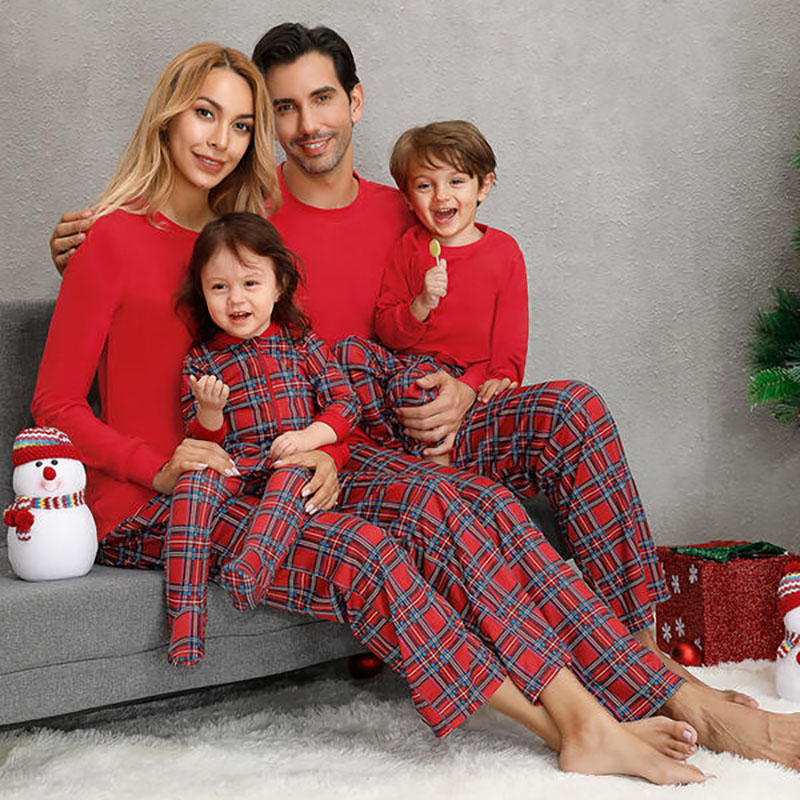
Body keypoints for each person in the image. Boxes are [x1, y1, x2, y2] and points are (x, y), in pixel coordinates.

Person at [46, 24, 800, 772]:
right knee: (434, 521)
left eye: (242, 122)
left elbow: (451, 283)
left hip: (350, 434)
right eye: (255, 113)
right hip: (260, 464)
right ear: (177, 116)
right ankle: (619, 709)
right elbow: (96, 383)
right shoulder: (204, 231)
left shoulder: (323, 222)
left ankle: (647, 678)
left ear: (354, 101)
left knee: (534, 449)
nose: (244, 135)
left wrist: (453, 397)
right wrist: (195, 456)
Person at [178, 210, 359, 618]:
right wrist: (209, 412)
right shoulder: (201, 359)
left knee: (293, 472)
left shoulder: (300, 342)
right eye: (219, 287)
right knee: (194, 484)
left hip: (290, 463)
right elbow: (202, 443)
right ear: (202, 294)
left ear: (279, 287)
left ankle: (253, 566)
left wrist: (311, 437)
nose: (236, 299)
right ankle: (185, 619)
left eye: (250, 283)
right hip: (238, 467)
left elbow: (346, 402)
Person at [339, 120, 527, 463]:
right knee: (349, 351)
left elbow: (509, 343)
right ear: (409, 199)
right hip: (406, 369)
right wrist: (420, 305)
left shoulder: (504, 252)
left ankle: (432, 457)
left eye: (456, 181)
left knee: (423, 386)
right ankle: (394, 445)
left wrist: (484, 381)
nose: (441, 196)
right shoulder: (409, 247)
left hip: (466, 376)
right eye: (425, 186)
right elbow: (387, 332)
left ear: (483, 187)